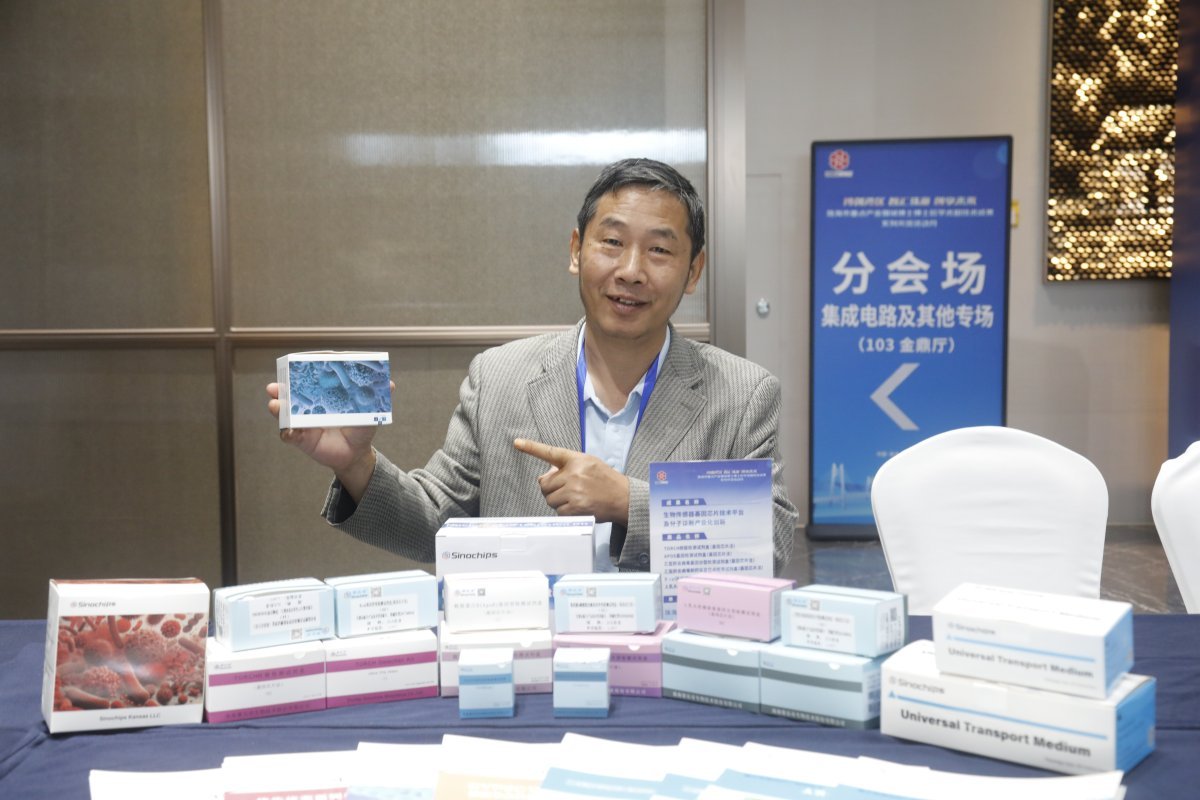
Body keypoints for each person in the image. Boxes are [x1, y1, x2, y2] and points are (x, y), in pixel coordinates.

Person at [267, 158, 798, 573]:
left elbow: (768, 545)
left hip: (669, 654)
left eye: (659, 251)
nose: (631, 271)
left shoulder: (742, 394)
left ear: (693, 271)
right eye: (612, 242)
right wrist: (356, 465)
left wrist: (628, 501)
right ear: (577, 250)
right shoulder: (499, 378)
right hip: (528, 653)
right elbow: (436, 526)